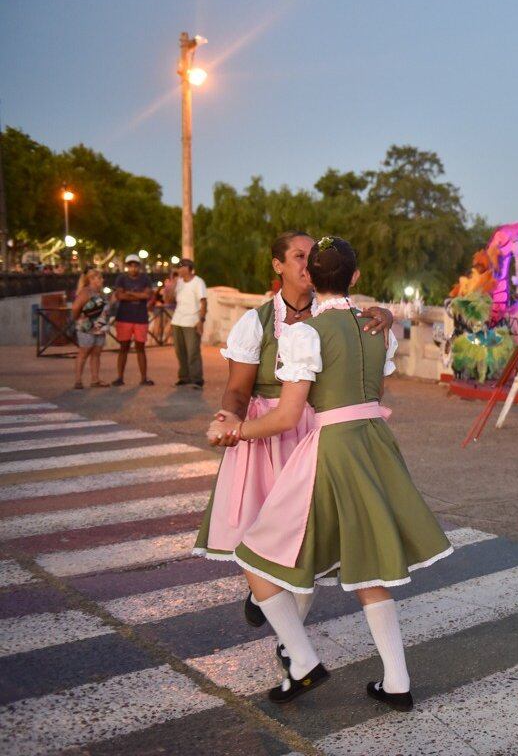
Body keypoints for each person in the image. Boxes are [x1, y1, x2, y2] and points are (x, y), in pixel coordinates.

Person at [214, 236, 449, 710]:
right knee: (366, 563)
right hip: (373, 443)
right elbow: (376, 392)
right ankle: (396, 683)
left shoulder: (305, 333)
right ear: (356, 279)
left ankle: (301, 660)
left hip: (330, 447)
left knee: (255, 554)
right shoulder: (376, 327)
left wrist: (237, 432)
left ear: (313, 278)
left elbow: (285, 418)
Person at [197, 230, 394, 672]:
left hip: (313, 432)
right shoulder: (257, 322)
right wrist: (229, 419)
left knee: (309, 544)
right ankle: (277, 613)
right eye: (298, 257)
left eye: (312, 258)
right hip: (268, 434)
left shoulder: (340, 316)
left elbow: (363, 342)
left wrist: (387, 314)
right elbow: (236, 389)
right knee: (258, 537)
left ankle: (293, 646)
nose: (307, 266)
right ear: (278, 266)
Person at [111, 254, 154, 386]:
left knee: (140, 347)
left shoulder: (145, 278)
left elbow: (147, 295)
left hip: (140, 317)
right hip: (124, 317)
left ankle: (143, 377)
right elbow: (119, 296)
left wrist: (129, 293)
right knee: (123, 347)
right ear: (127, 266)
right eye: (131, 265)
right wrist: (138, 296)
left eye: (135, 265)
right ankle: (120, 377)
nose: (133, 268)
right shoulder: (121, 278)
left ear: (139, 266)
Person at [167, 258, 208, 388]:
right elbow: (168, 299)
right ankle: (184, 377)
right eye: (178, 267)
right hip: (178, 321)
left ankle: (197, 379)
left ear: (189, 268)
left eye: (181, 266)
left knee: (193, 351)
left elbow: (203, 302)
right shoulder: (178, 282)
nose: (179, 269)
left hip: (192, 321)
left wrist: (201, 321)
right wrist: (173, 282)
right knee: (180, 351)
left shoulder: (198, 282)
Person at [71, 269, 109, 389]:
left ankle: (95, 379)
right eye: (99, 278)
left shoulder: (100, 293)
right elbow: (75, 307)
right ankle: (78, 380)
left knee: (96, 354)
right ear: (92, 279)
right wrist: (77, 318)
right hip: (87, 327)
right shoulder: (86, 292)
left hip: (99, 326)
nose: (102, 280)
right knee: (83, 353)